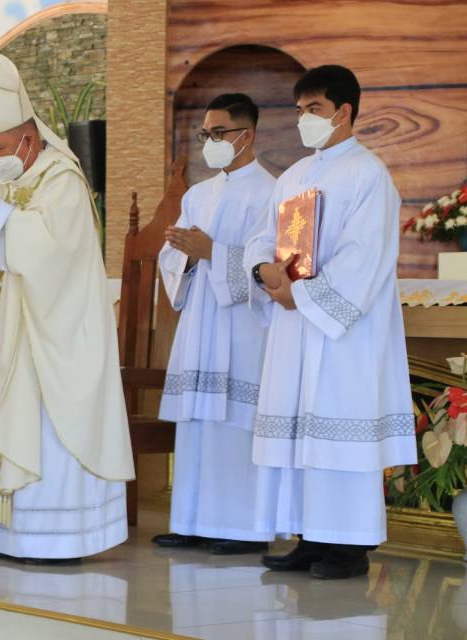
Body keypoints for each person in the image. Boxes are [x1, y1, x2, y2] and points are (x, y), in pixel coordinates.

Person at [0, 54, 134, 563]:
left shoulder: (63, 180)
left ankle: (60, 537)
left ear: (29, 139)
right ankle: (8, 537)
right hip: (7, 339)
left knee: (45, 428)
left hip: (52, 338)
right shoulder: (0, 180)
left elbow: (47, 253)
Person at [244, 65, 415, 579]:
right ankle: (308, 536)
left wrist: (303, 295)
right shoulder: (295, 176)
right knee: (301, 434)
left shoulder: (368, 175)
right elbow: (261, 236)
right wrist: (263, 271)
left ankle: (349, 546)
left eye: (313, 110)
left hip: (341, 333)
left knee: (337, 430)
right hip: (294, 325)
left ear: (344, 112)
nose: (303, 120)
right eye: (299, 110)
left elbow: (365, 258)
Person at [153, 93, 276, 555]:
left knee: (235, 423)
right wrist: (182, 255)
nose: (212, 142)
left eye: (220, 133)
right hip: (201, 321)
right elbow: (173, 259)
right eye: (207, 134)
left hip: (243, 327)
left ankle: (243, 528)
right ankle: (192, 520)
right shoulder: (197, 195)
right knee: (198, 424)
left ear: (248, 135)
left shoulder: (272, 192)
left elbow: (275, 262)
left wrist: (213, 253)